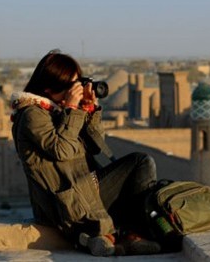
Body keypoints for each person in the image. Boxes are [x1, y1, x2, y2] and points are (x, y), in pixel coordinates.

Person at [10, 49, 160, 256]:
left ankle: (111, 236)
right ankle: (130, 234)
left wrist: (89, 109)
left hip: (81, 190)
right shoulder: (32, 115)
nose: (76, 90)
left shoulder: (57, 111)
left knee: (137, 168)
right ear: (48, 88)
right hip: (64, 203)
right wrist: (72, 110)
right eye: (70, 85)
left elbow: (96, 146)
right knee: (141, 162)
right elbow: (62, 149)